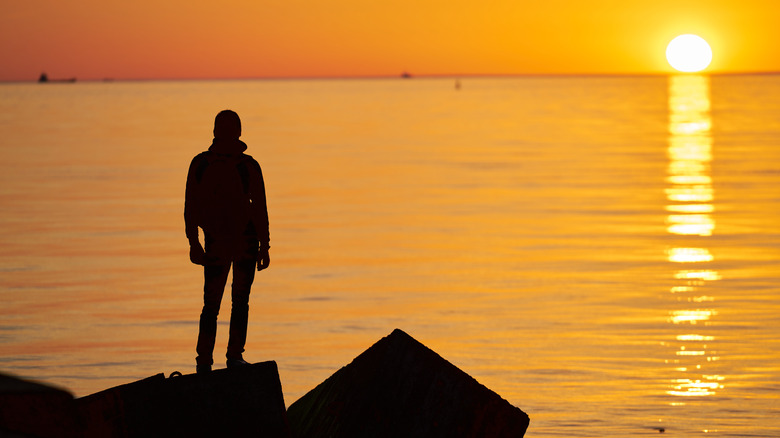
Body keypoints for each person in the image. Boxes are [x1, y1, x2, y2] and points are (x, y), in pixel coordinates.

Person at [184, 110, 270, 373]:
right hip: (244, 241)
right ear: (239, 132)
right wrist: (264, 245)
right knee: (239, 301)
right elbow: (260, 209)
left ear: (214, 132)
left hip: (217, 242)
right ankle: (233, 357)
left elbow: (190, 206)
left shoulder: (200, 163)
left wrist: (193, 241)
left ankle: (204, 362)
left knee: (211, 305)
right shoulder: (249, 166)